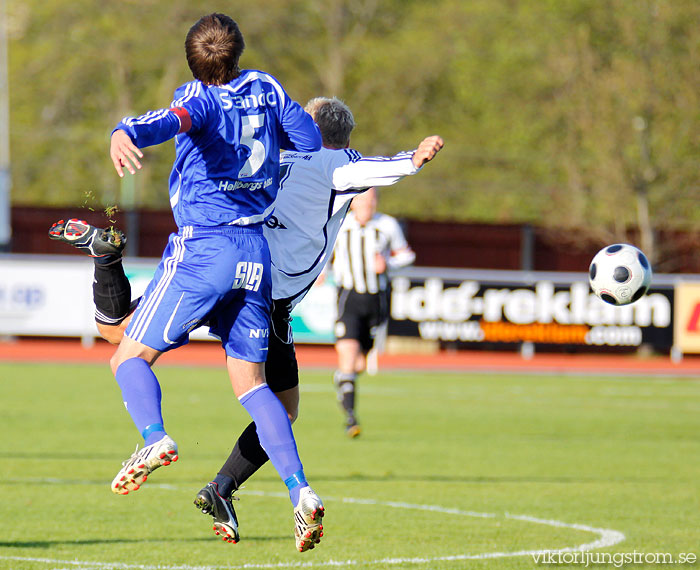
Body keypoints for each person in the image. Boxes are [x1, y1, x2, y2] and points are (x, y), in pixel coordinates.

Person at [49, 96, 443, 547]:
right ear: (344, 139)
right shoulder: (334, 163)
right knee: (276, 402)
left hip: (217, 261)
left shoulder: (272, 148)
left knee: (118, 336)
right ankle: (260, 487)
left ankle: (107, 262)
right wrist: (412, 159)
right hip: (261, 288)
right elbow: (371, 170)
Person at [101, 12, 326, 552]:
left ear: (192, 62)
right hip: (256, 254)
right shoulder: (267, 87)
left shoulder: (197, 99)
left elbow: (164, 122)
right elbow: (310, 139)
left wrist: (122, 132)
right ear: (240, 52)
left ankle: (155, 439)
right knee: (252, 386)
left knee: (126, 358)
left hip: (205, 247)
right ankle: (301, 492)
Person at [329, 188, 415, 436]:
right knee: (347, 356)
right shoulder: (341, 224)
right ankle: (350, 418)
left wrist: (388, 263)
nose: (369, 205)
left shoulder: (387, 225)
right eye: (364, 201)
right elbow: (323, 250)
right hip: (349, 297)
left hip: (377, 300)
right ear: (353, 203)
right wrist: (320, 272)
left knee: (359, 364)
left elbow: (407, 255)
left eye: (373, 200)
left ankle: (344, 381)